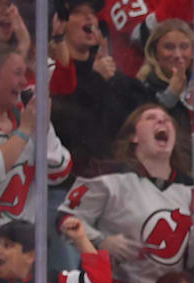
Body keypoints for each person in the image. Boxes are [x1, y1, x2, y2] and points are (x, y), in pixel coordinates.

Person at [56, 102, 194, 283]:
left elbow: (191, 261)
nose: (162, 122)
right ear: (133, 136)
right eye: (151, 118)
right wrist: (101, 240)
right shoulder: (106, 175)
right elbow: (64, 218)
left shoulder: (191, 189)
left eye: (167, 119)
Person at [0, 43, 74, 258]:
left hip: (21, 250)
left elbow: (58, 172)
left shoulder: (24, 116)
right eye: (17, 74)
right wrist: (24, 131)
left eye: (25, 74)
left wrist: (43, 126)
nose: (25, 82)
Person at [48, 0, 144, 175]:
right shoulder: (51, 74)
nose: (89, 17)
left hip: (118, 176)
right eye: (78, 12)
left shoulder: (113, 77)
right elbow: (70, 120)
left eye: (93, 13)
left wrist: (111, 79)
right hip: (74, 178)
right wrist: (94, 76)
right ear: (59, 23)